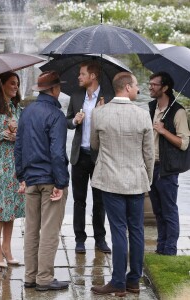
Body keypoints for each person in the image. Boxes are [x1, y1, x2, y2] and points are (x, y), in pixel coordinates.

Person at [90, 72, 155, 296]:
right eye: (136, 85)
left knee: (118, 231)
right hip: (136, 180)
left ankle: (118, 281)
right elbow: (149, 154)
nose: (138, 88)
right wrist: (148, 178)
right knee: (136, 230)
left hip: (110, 179)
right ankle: (133, 281)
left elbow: (94, 145)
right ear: (126, 87)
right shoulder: (143, 114)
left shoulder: (99, 113)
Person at [14, 71, 69, 291]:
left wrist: (22, 176)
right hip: (49, 180)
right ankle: (44, 279)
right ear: (55, 89)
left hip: (31, 179)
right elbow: (57, 153)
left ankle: (30, 276)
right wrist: (61, 183)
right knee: (49, 231)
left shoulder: (26, 112)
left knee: (31, 229)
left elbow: (18, 147)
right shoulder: (56, 116)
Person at [66, 61, 114, 254]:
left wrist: (103, 114)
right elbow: (66, 121)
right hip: (79, 156)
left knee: (100, 201)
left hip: (100, 157)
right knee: (79, 200)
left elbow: (114, 128)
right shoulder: (76, 96)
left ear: (92, 76)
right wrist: (74, 121)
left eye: (82, 73)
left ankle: (100, 239)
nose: (79, 77)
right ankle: (79, 239)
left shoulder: (109, 98)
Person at [0, 71, 25, 269]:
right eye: (12, 83)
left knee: (11, 206)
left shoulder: (18, 109)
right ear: (2, 85)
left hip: (15, 163)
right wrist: (4, 133)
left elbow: (24, 134)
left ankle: (7, 248)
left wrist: (18, 134)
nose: (16, 86)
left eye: (17, 83)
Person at [148, 71, 190, 256]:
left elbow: (184, 143)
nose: (150, 87)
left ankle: (170, 250)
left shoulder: (178, 111)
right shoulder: (151, 107)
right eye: (149, 84)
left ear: (165, 88)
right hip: (151, 165)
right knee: (157, 210)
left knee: (169, 210)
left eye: (154, 84)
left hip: (167, 168)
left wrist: (163, 131)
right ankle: (160, 247)